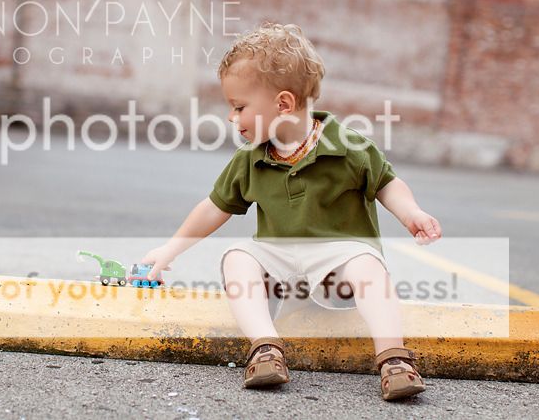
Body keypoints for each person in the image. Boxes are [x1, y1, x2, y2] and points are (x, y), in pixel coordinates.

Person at [139, 22, 441, 400]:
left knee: (366, 264)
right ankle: (266, 348)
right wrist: (169, 250)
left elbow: (386, 183)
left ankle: (394, 359)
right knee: (237, 256)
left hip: (338, 268)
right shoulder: (250, 159)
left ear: (283, 103)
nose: (233, 119)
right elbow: (213, 208)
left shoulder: (348, 146)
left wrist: (411, 213)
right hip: (281, 271)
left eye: (239, 107)